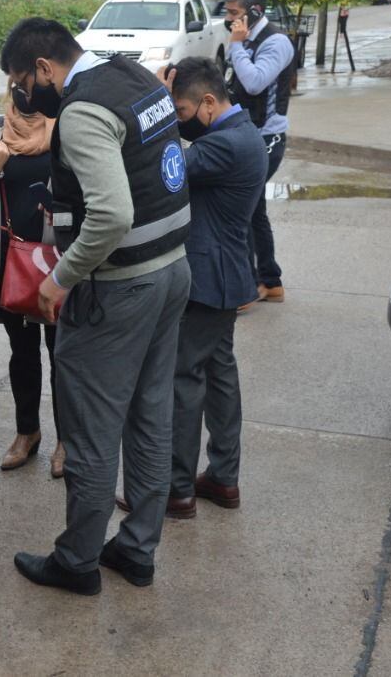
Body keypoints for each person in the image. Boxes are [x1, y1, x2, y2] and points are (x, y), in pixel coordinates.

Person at [3, 18, 191, 595]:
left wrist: (60, 277)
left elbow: (111, 214)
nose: (19, 94)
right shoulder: (134, 76)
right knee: (151, 416)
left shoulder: (82, 111)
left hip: (118, 289)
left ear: (43, 69)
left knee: (89, 429)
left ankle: (77, 560)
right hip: (171, 271)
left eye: (19, 79)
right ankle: (137, 549)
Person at [160, 58, 267, 519]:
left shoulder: (226, 145)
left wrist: (157, 115)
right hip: (227, 273)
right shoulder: (239, 133)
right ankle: (223, 477)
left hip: (208, 279)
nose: (180, 118)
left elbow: (167, 164)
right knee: (220, 374)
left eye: (182, 109)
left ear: (208, 101)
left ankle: (176, 489)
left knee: (185, 377)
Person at [0, 85, 63, 476]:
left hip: (57, 261)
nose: (26, 97)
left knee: (62, 354)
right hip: (11, 262)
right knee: (22, 353)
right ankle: (27, 432)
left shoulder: (65, 129)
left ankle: (67, 439)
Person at [222, 0, 295, 306]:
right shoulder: (246, 38)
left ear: (254, 12)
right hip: (248, 134)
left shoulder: (276, 42)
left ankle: (249, 287)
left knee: (242, 206)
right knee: (254, 210)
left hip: (268, 137)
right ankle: (269, 281)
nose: (229, 20)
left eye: (234, 14)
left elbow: (254, 83)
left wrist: (236, 46)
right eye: (227, 13)